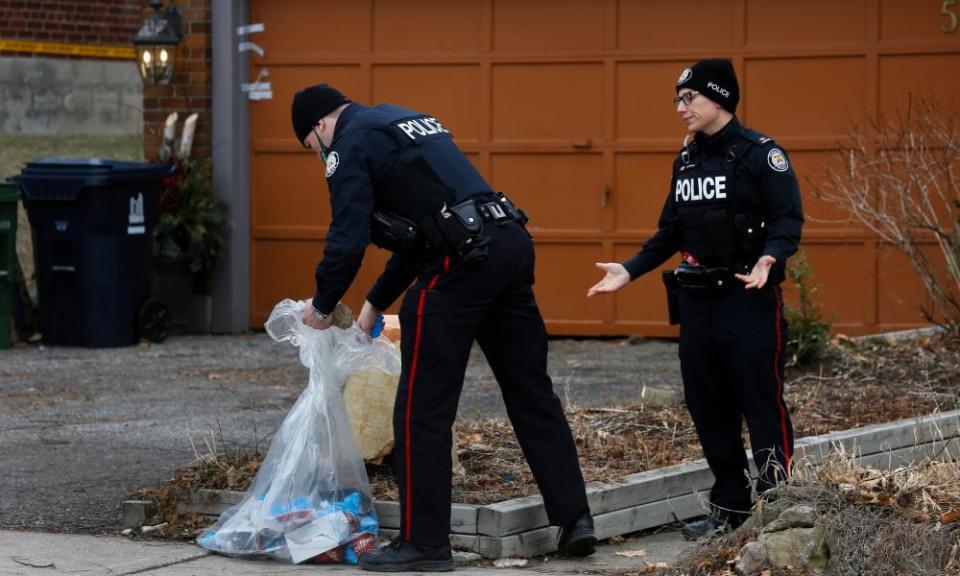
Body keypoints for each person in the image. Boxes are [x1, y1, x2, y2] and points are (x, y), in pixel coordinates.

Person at [290, 84, 597, 571]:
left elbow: (347, 236)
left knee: (420, 411)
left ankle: (424, 545)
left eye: (312, 147)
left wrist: (324, 305)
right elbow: (424, 229)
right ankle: (576, 519)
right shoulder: (399, 119)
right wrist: (373, 304)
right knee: (531, 393)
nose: (319, 155)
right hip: (506, 245)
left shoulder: (347, 144)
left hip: (458, 267)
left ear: (320, 126)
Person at [587, 59, 803, 539]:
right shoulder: (686, 160)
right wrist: (629, 270)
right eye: (677, 99)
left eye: (690, 98)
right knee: (707, 405)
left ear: (720, 98)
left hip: (748, 300)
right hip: (698, 304)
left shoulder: (760, 155)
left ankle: (777, 505)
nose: (681, 107)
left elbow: (788, 220)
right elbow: (671, 232)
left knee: (760, 403)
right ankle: (730, 507)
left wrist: (769, 258)